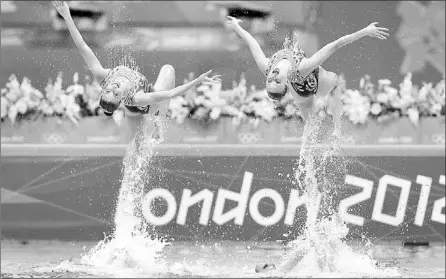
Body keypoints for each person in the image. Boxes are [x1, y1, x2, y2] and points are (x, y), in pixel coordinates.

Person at [52, 1, 221, 137]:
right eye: (116, 93)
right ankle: (158, 119)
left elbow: (82, 47)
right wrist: (197, 81)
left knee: (168, 69)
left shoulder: (103, 77)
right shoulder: (136, 97)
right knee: (137, 141)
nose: (114, 87)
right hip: (142, 107)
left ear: (103, 89)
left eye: (109, 89)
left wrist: (67, 16)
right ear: (121, 98)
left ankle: (158, 120)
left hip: (143, 105)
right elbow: (170, 94)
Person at [225, 16, 389, 139]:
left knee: (328, 92)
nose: (273, 77)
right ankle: (327, 130)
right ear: (286, 82)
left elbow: (251, 42)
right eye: (277, 82)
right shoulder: (301, 69)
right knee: (319, 105)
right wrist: (364, 32)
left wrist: (236, 26)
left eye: (270, 81)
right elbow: (335, 45)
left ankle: (335, 129)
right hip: (306, 87)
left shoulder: (266, 66)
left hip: (308, 87)